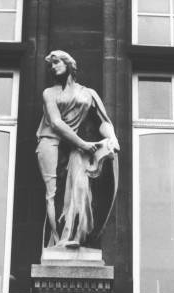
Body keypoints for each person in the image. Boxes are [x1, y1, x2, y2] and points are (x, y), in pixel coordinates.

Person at [36, 50, 119, 248]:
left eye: (56, 62)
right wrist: (83, 144)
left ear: (69, 64)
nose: (53, 67)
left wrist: (112, 138)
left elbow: (103, 121)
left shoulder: (88, 94)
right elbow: (56, 123)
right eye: (51, 65)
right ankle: (56, 242)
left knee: (80, 189)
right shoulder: (49, 93)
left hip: (74, 147)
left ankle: (72, 236)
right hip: (51, 142)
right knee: (53, 194)